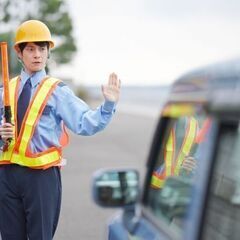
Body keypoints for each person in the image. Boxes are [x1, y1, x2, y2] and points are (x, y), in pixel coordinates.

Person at [0, 19, 121, 240]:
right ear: (19, 53)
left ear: (48, 53)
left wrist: (108, 105)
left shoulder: (57, 91)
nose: (37, 54)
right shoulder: (6, 89)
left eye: (42, 49)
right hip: (7, 175)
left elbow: (85, 122)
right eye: (31, 49)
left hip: (41, 178)